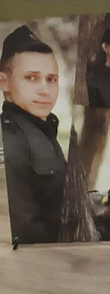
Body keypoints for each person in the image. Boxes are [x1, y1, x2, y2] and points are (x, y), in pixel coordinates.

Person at [0, 25, 66, 244]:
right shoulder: (9, 137)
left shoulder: (43, 129)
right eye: (31, 78)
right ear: (4, 82)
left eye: (52, 79)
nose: (45, 90)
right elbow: (23, 231)